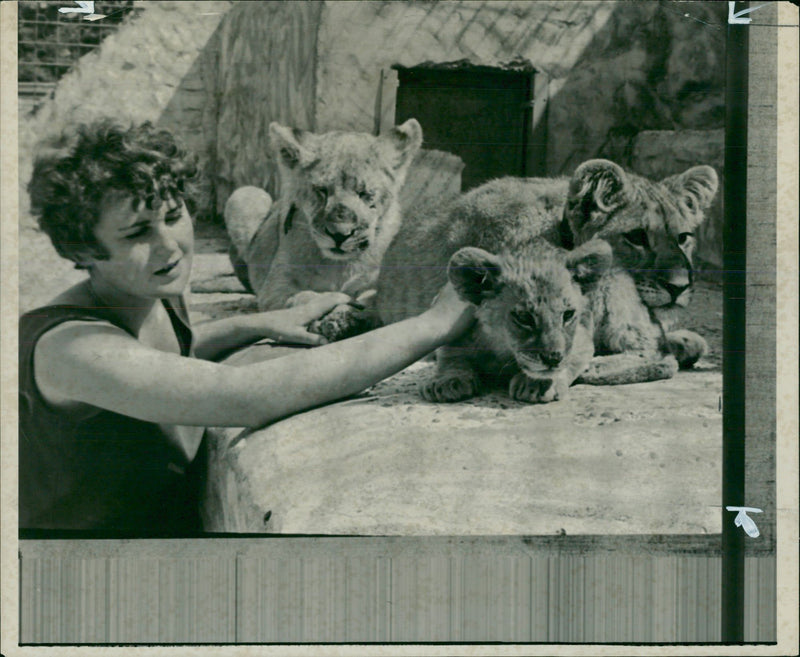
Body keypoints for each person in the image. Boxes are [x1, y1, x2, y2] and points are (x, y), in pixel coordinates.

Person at [19, 119, 475, 535]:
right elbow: (246, 395)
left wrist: (257, 323)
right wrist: (431, 325)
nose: (169, 247)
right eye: (137, 233)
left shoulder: (148, 293)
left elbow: (171, 352)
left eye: (174, 217)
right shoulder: (71, 348)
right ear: (81, 249)